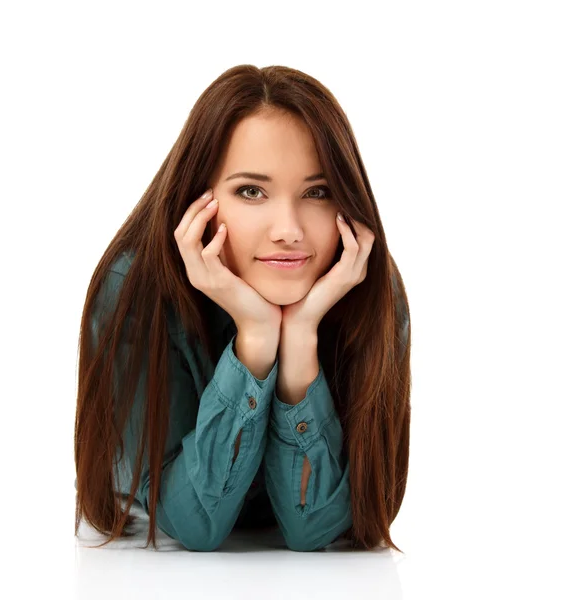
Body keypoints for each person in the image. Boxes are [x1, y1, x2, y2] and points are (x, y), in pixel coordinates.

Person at [74, 64, 411, 553]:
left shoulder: (370, 293)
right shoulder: (134, 291)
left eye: (317, 193)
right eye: (251, 191)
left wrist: (300, 343)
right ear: (198, 199)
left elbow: (312, 529)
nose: (288, 229)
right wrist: (255, 339)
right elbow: (193, 524)